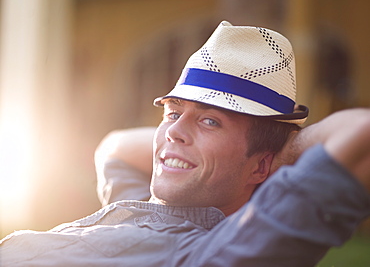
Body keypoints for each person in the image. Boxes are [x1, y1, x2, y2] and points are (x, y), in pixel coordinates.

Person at [1, 21, 369, 267]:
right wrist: (196, 149)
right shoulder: (149, 205)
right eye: (173, 113)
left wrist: (284, 153)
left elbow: (360, 133)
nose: (174, 131)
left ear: (261, 166)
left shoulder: (217, 252)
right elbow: (116, 146)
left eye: (211, 120)